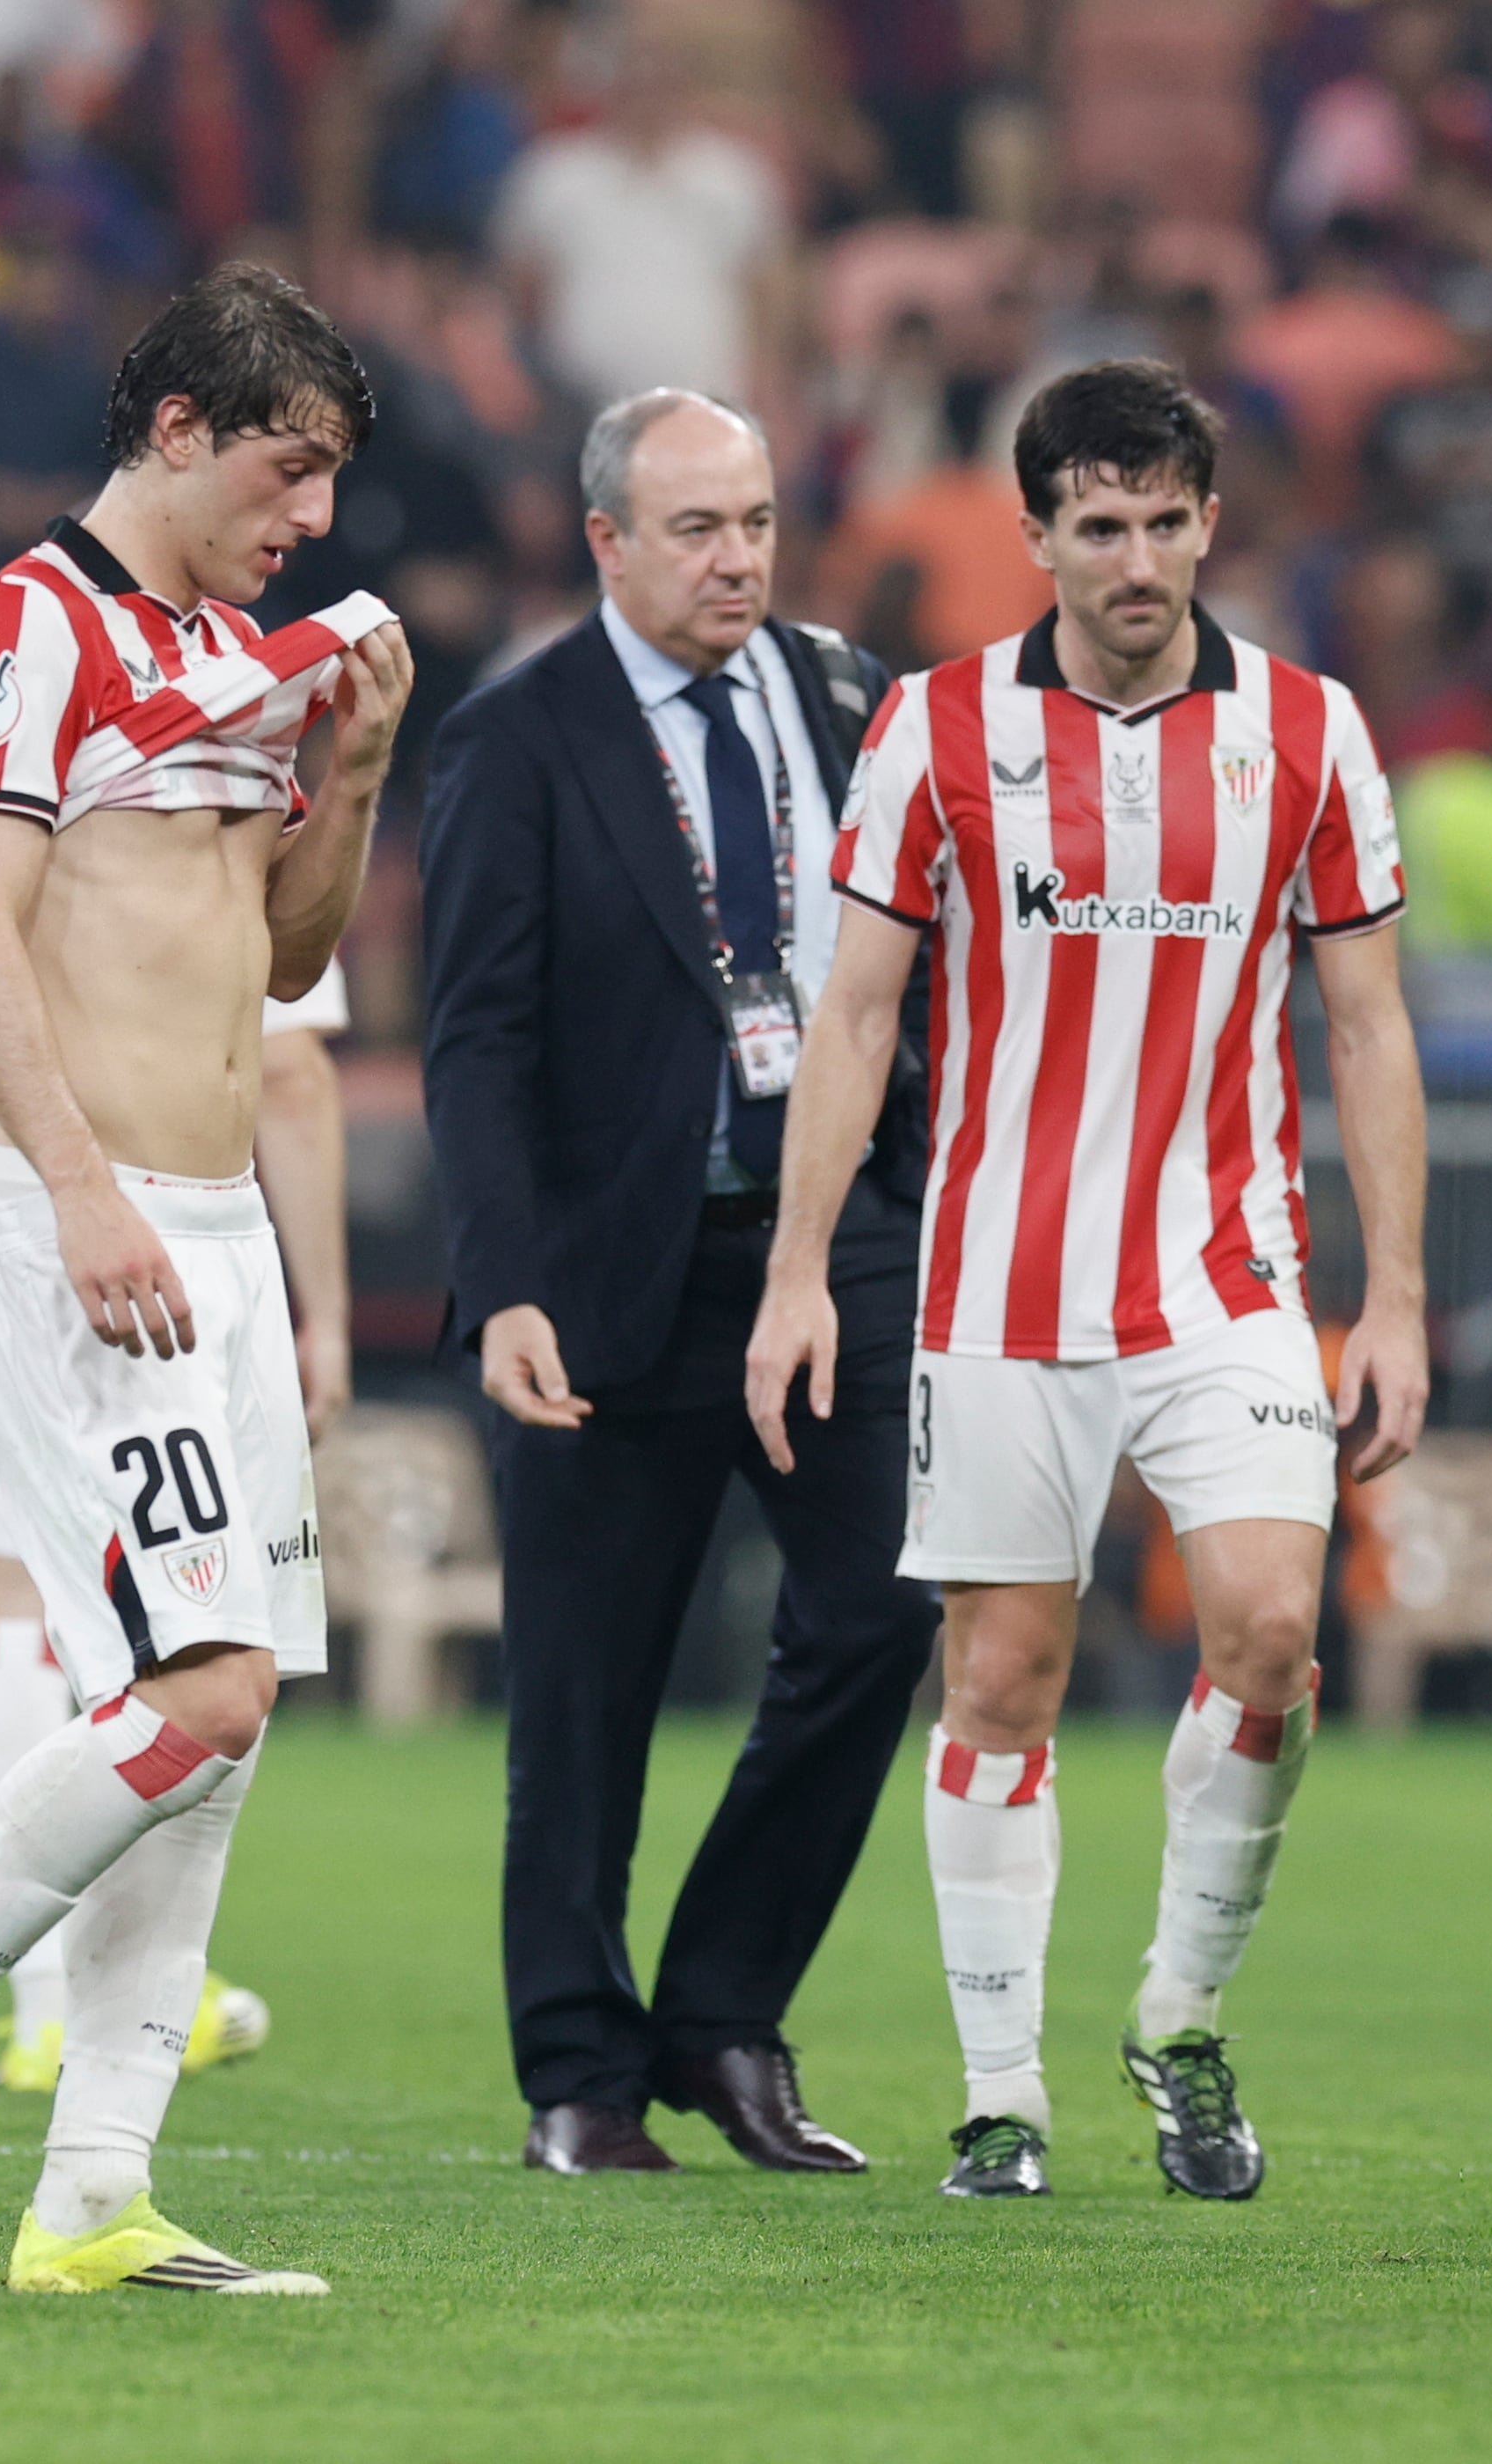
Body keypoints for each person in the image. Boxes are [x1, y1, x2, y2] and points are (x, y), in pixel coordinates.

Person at [0, 264, 412, 2299]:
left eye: (327, 480)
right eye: (285, 468)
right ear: (172, 430)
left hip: (210, 1226)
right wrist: (78, 1190)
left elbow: (287, 955)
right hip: (78, 1223)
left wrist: (366, 769)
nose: (310, 517)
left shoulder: (236, 655)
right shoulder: (19, 630)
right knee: (198, 1681)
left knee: (232, 1718)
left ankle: (94, 2198)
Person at [744, 359, 1432, 2203]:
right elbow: (858, 1013)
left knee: (1275, 1631)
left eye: (1164, 519)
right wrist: (800, 1270)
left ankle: (1179, 2014)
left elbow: (1365, 1023)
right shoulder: (937, 730)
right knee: (1004, 1672)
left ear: (1211, 519)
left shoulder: (1308, 731)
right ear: (1036, 532)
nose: (1136, 557)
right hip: (994, 1279)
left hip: (1228, 1269)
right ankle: (1000, 2094)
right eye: (1098, 524)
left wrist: (1406, 1297)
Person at [417, 388, 937, 2180]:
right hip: (610, 1265)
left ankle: (720, 2011)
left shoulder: (847, 695)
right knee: (585, 1688)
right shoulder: (519, 737)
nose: (738, 559)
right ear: (605, 543)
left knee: (884, 1608)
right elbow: (474, 1042)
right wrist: (501, 1288)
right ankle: (577, 2067)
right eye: (698, 528)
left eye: (759, 522)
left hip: (830, 1239)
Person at [0, 789, 360, 2094]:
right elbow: (292, 1063)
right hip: (146, 1249)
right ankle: (21, 2008)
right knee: (188, 1662)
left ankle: (50, 2029)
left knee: (10, 1623)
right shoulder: (222, 769)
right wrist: (326, 1309)